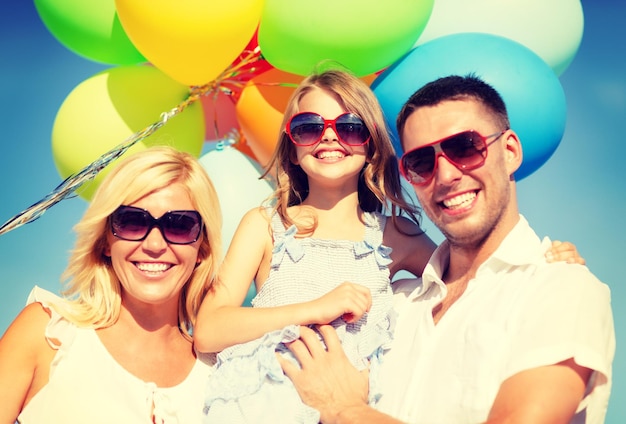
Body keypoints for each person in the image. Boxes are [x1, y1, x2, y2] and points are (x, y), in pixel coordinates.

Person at [194, 69, 585, 423]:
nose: (329, 136)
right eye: (310, 127)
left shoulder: (394, 235)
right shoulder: (266, 225)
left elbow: (469, 272)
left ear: (372, 146)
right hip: (262, 407)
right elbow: (210, 328)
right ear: (292, 146)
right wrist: (314, 309)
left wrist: (542, 259)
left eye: (349, 127)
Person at [0, 146, 222, 423]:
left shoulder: (225, 374)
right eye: (131, 222)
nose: (154, 245)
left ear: (202, 247)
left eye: (179, 225)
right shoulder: (47, 335)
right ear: (105, 240)